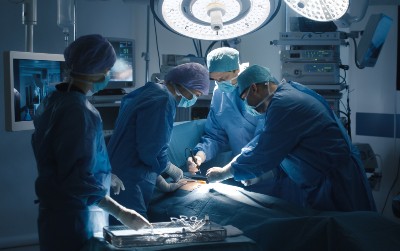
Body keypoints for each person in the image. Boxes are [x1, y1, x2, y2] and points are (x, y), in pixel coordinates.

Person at [31, 34, 151, 251]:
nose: (108, 75)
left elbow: (61, 158)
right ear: (97, 71)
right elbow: (76, 179)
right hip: (77, 216)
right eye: (107, 70)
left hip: (55, 212)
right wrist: (121, 212)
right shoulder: (79, 111)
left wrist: (105, 175)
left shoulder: (53, 101)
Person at [206, 64, 377, 212]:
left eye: (244, 98)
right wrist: (254, 173)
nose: (246, 104)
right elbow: (265, 141)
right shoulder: (284, 97)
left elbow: (263, 151)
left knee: (348, 236)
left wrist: (224, 173)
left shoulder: (284, 104)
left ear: (254, 88)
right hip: (327, 180)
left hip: (338, 185)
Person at [107, 62, 210, 221]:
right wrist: (169, 168)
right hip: (130, 180)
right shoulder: (162, 100)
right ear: (183, 85)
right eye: (196, 93)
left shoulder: (149, 91)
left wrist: (161, 181)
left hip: (120, 171)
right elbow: (150, 150)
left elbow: (140, 141)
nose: (195, 98)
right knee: (132, 232)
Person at [186, 47, 264, 175]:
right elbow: (215, 136)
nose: (219, 83)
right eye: (215, 79)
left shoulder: (259, 89)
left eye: (223, 78)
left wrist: (229, 171)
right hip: (238, 167)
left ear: (237, 70)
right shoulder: (219, 94)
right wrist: (200, 156)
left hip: (266, 166)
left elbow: (266, 137)